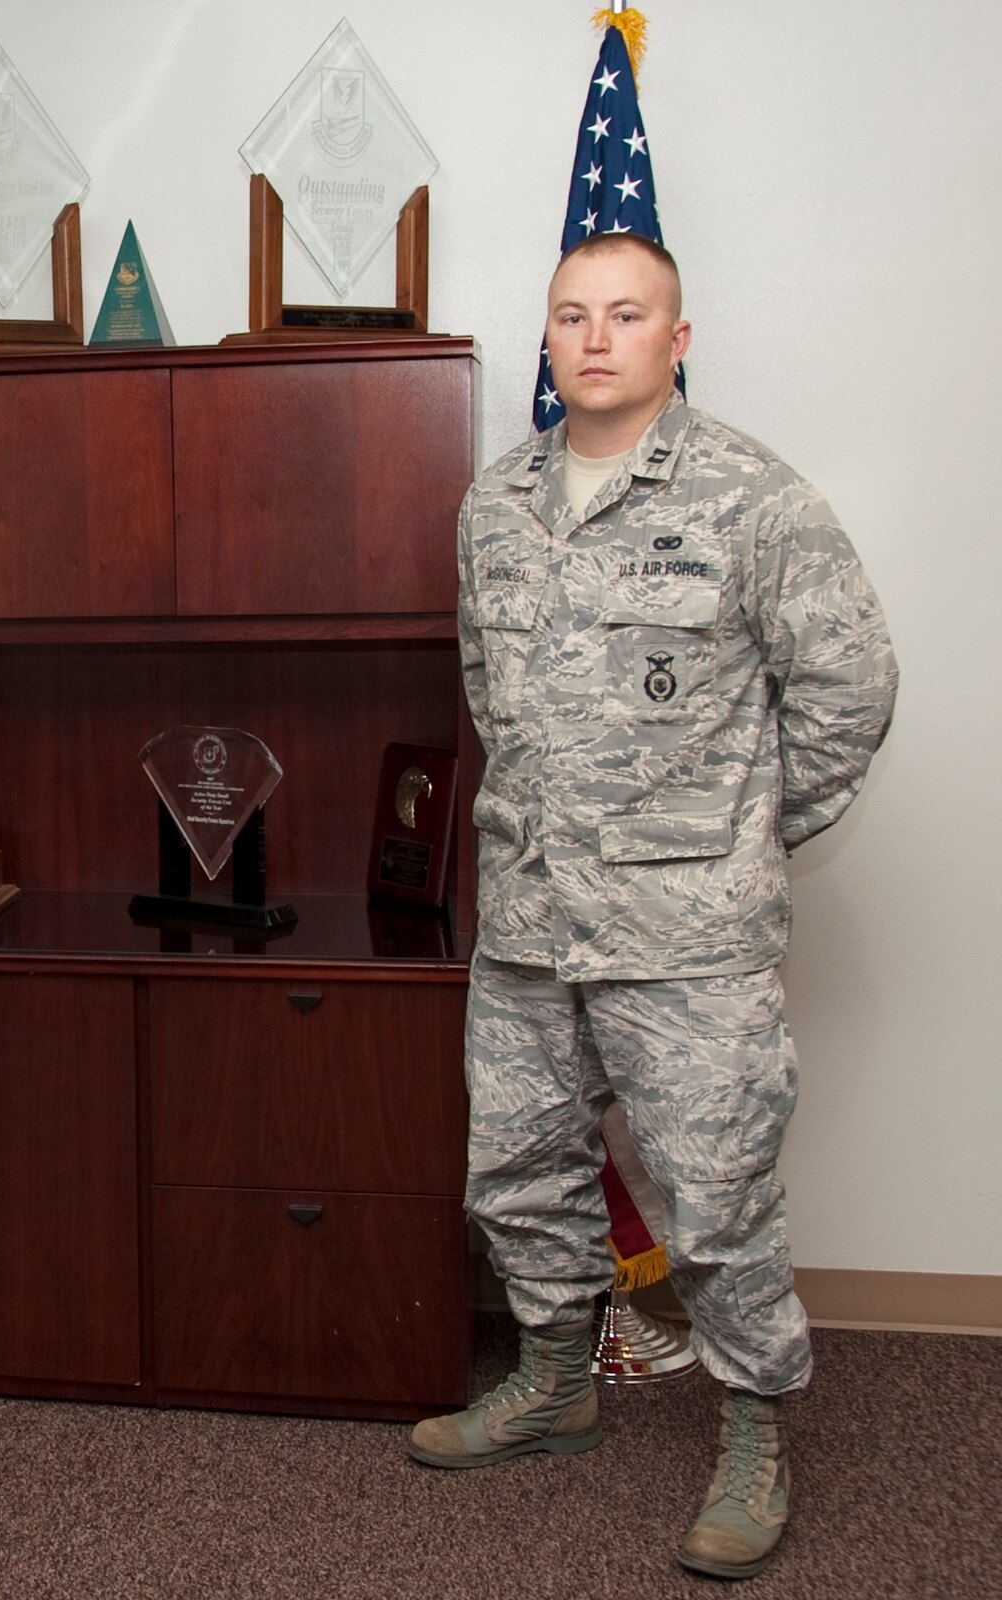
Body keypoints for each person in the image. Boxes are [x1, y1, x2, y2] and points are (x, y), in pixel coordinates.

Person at [409, 232, 897, 1581]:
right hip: (528, 918)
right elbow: (487, 688)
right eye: (571, 316)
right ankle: (555, 1381)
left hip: (689, 937)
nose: (597, 338)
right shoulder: (493, 504)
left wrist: (737, 838)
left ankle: (754, 1431)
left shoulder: (754, 499)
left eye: (628, 315)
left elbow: (851, 691)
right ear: (550, 340)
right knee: (515, 1165)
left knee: (718, 1195)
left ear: (677, 340)